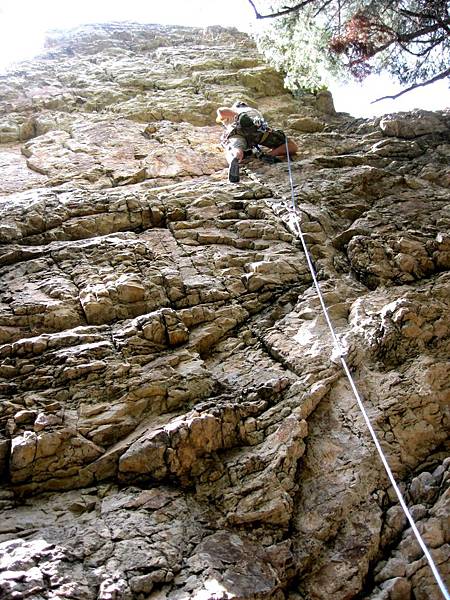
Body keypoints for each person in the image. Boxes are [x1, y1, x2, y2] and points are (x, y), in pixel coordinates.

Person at [216, 101, 298, 183]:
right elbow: (293, 147)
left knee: (235, 147)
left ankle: (235, 158)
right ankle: (269, 155)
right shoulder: (254, 111)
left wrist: (236, 116)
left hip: (238, 132)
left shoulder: (234, 110)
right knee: (291, 146)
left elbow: (221, 111)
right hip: (258, 130)